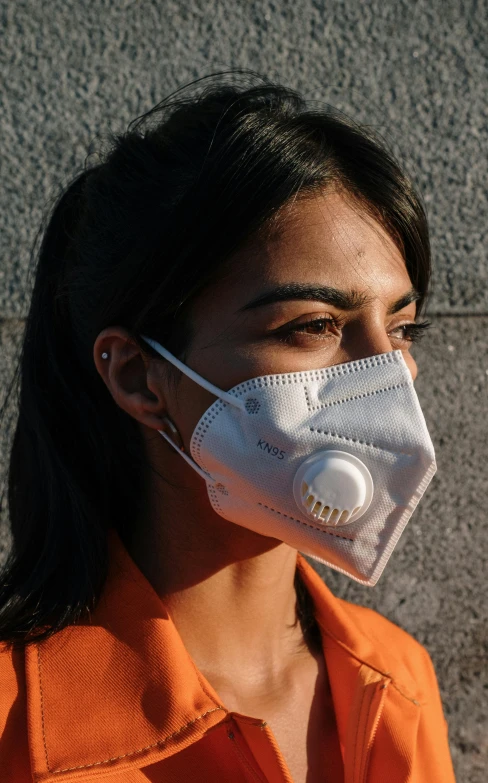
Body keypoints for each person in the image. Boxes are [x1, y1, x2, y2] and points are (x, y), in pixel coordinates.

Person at [0, 75, 455, 782]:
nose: (387, 375)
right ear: (138, 376)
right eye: (314, 325)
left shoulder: (398, 680)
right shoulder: (13, 718)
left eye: (401, 326)